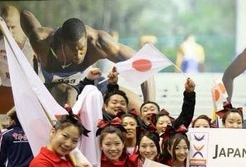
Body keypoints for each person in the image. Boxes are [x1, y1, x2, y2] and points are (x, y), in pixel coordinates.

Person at [20, 10, 155, 108]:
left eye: (82, 48)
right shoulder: (43, 42)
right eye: (73, 49)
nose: (78, 54)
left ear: (87, 39)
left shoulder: (98, 42)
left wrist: (150, 106)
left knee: (138, 107)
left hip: (91, 83)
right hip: (55, 88)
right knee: (68, 93)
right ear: (63, 43)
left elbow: (144, 65)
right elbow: (25, 14)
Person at [0, 5, 35, 115]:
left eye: (13, 27)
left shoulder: (31, 41)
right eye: (6, 27)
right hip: (8, 88)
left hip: (28, 90)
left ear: (21, 25)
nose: (9, 32)